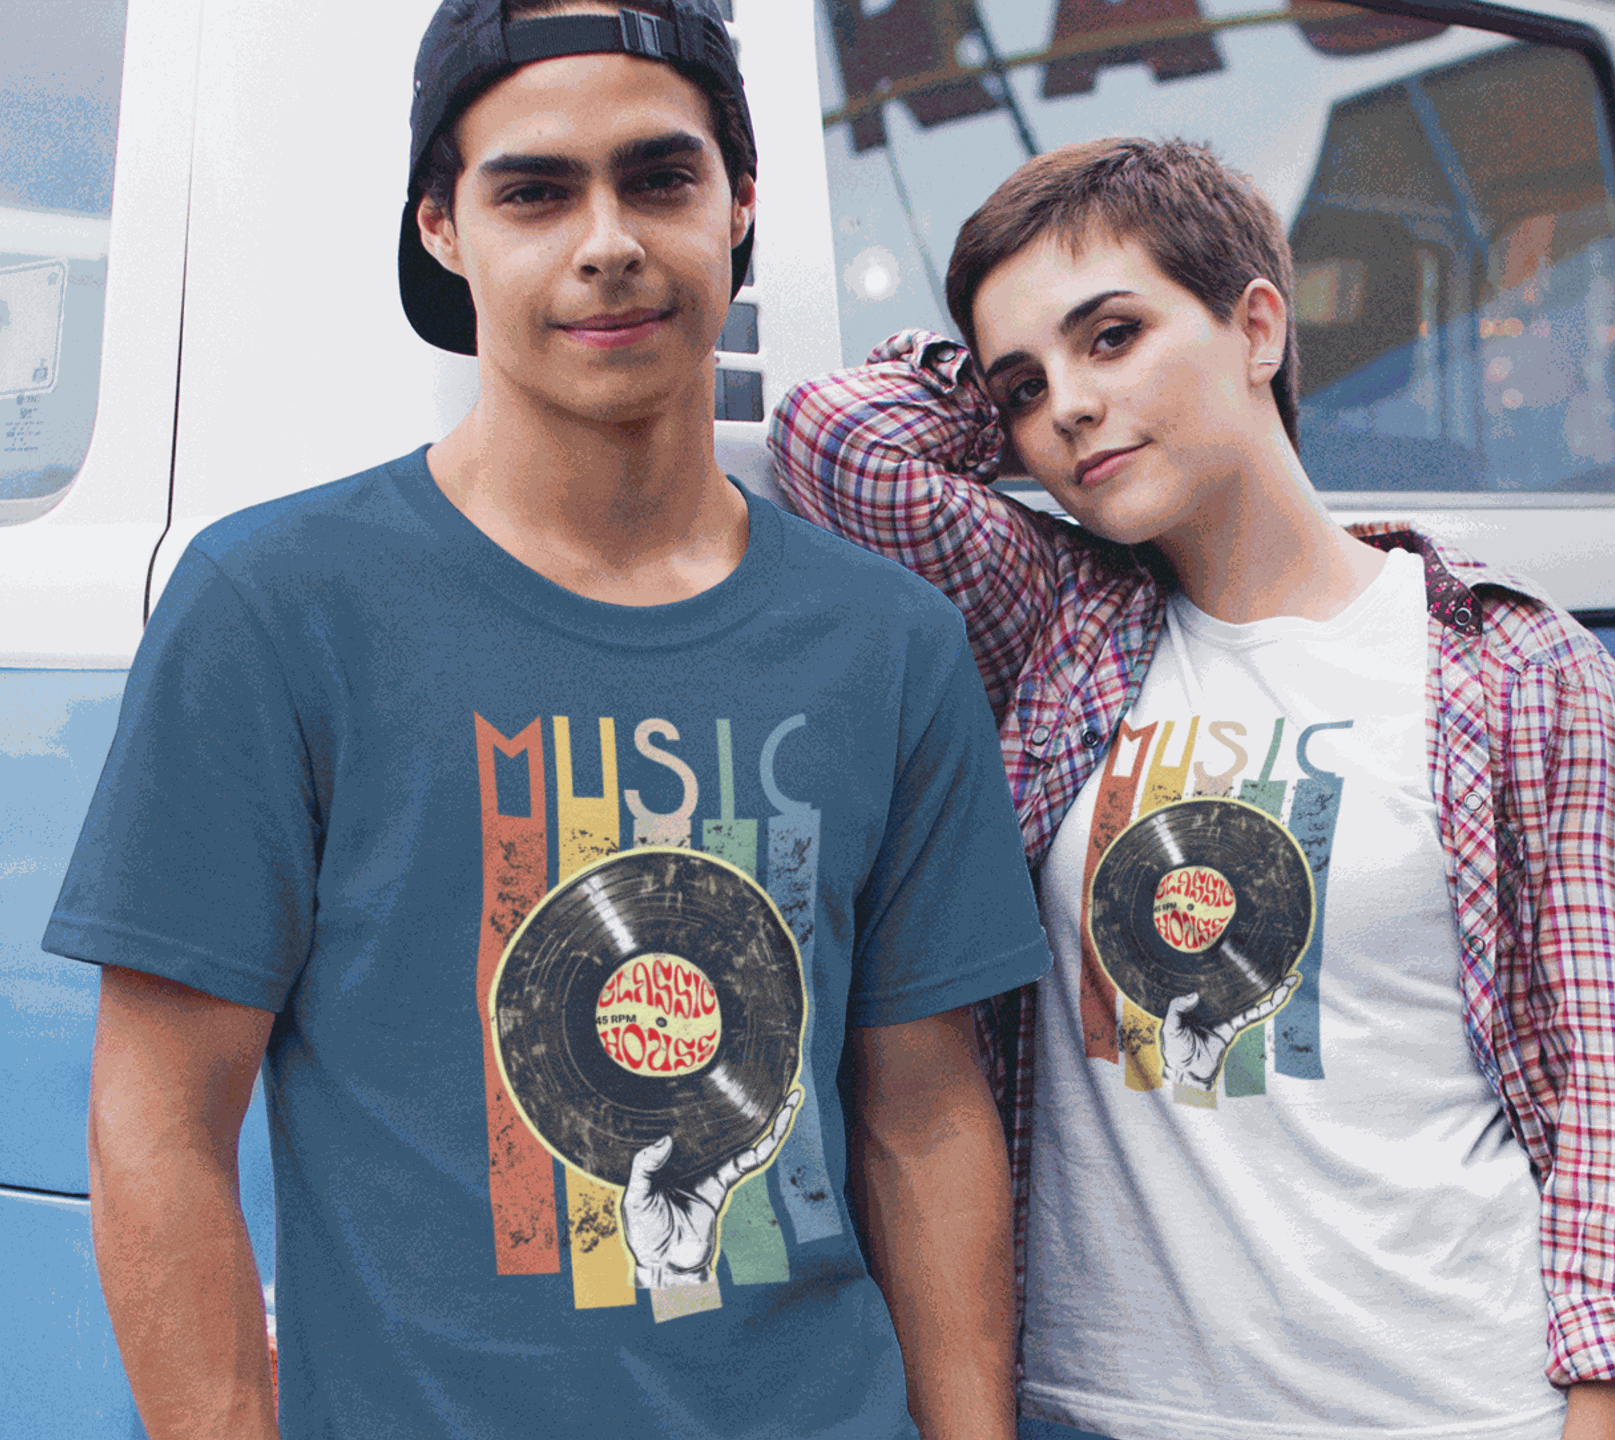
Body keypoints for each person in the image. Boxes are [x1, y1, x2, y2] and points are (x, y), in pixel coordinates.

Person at [44, 3, 1049, 1437]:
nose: (608, 241)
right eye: (534, 190)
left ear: (739, 205)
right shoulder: (276, 607)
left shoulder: (886, 642)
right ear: (444, 229)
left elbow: (926, 1118)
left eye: (661, 178)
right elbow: (157, 1125)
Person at [770, 138, 1615, 1440]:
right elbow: (833, 441)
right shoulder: (1063, 631)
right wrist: (991, 360)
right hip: (1103, 1410)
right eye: (1027, 384)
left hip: (1452, 1408)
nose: (1065, 404)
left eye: (1113, 334)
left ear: (1257, 326)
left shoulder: (1517, 672)